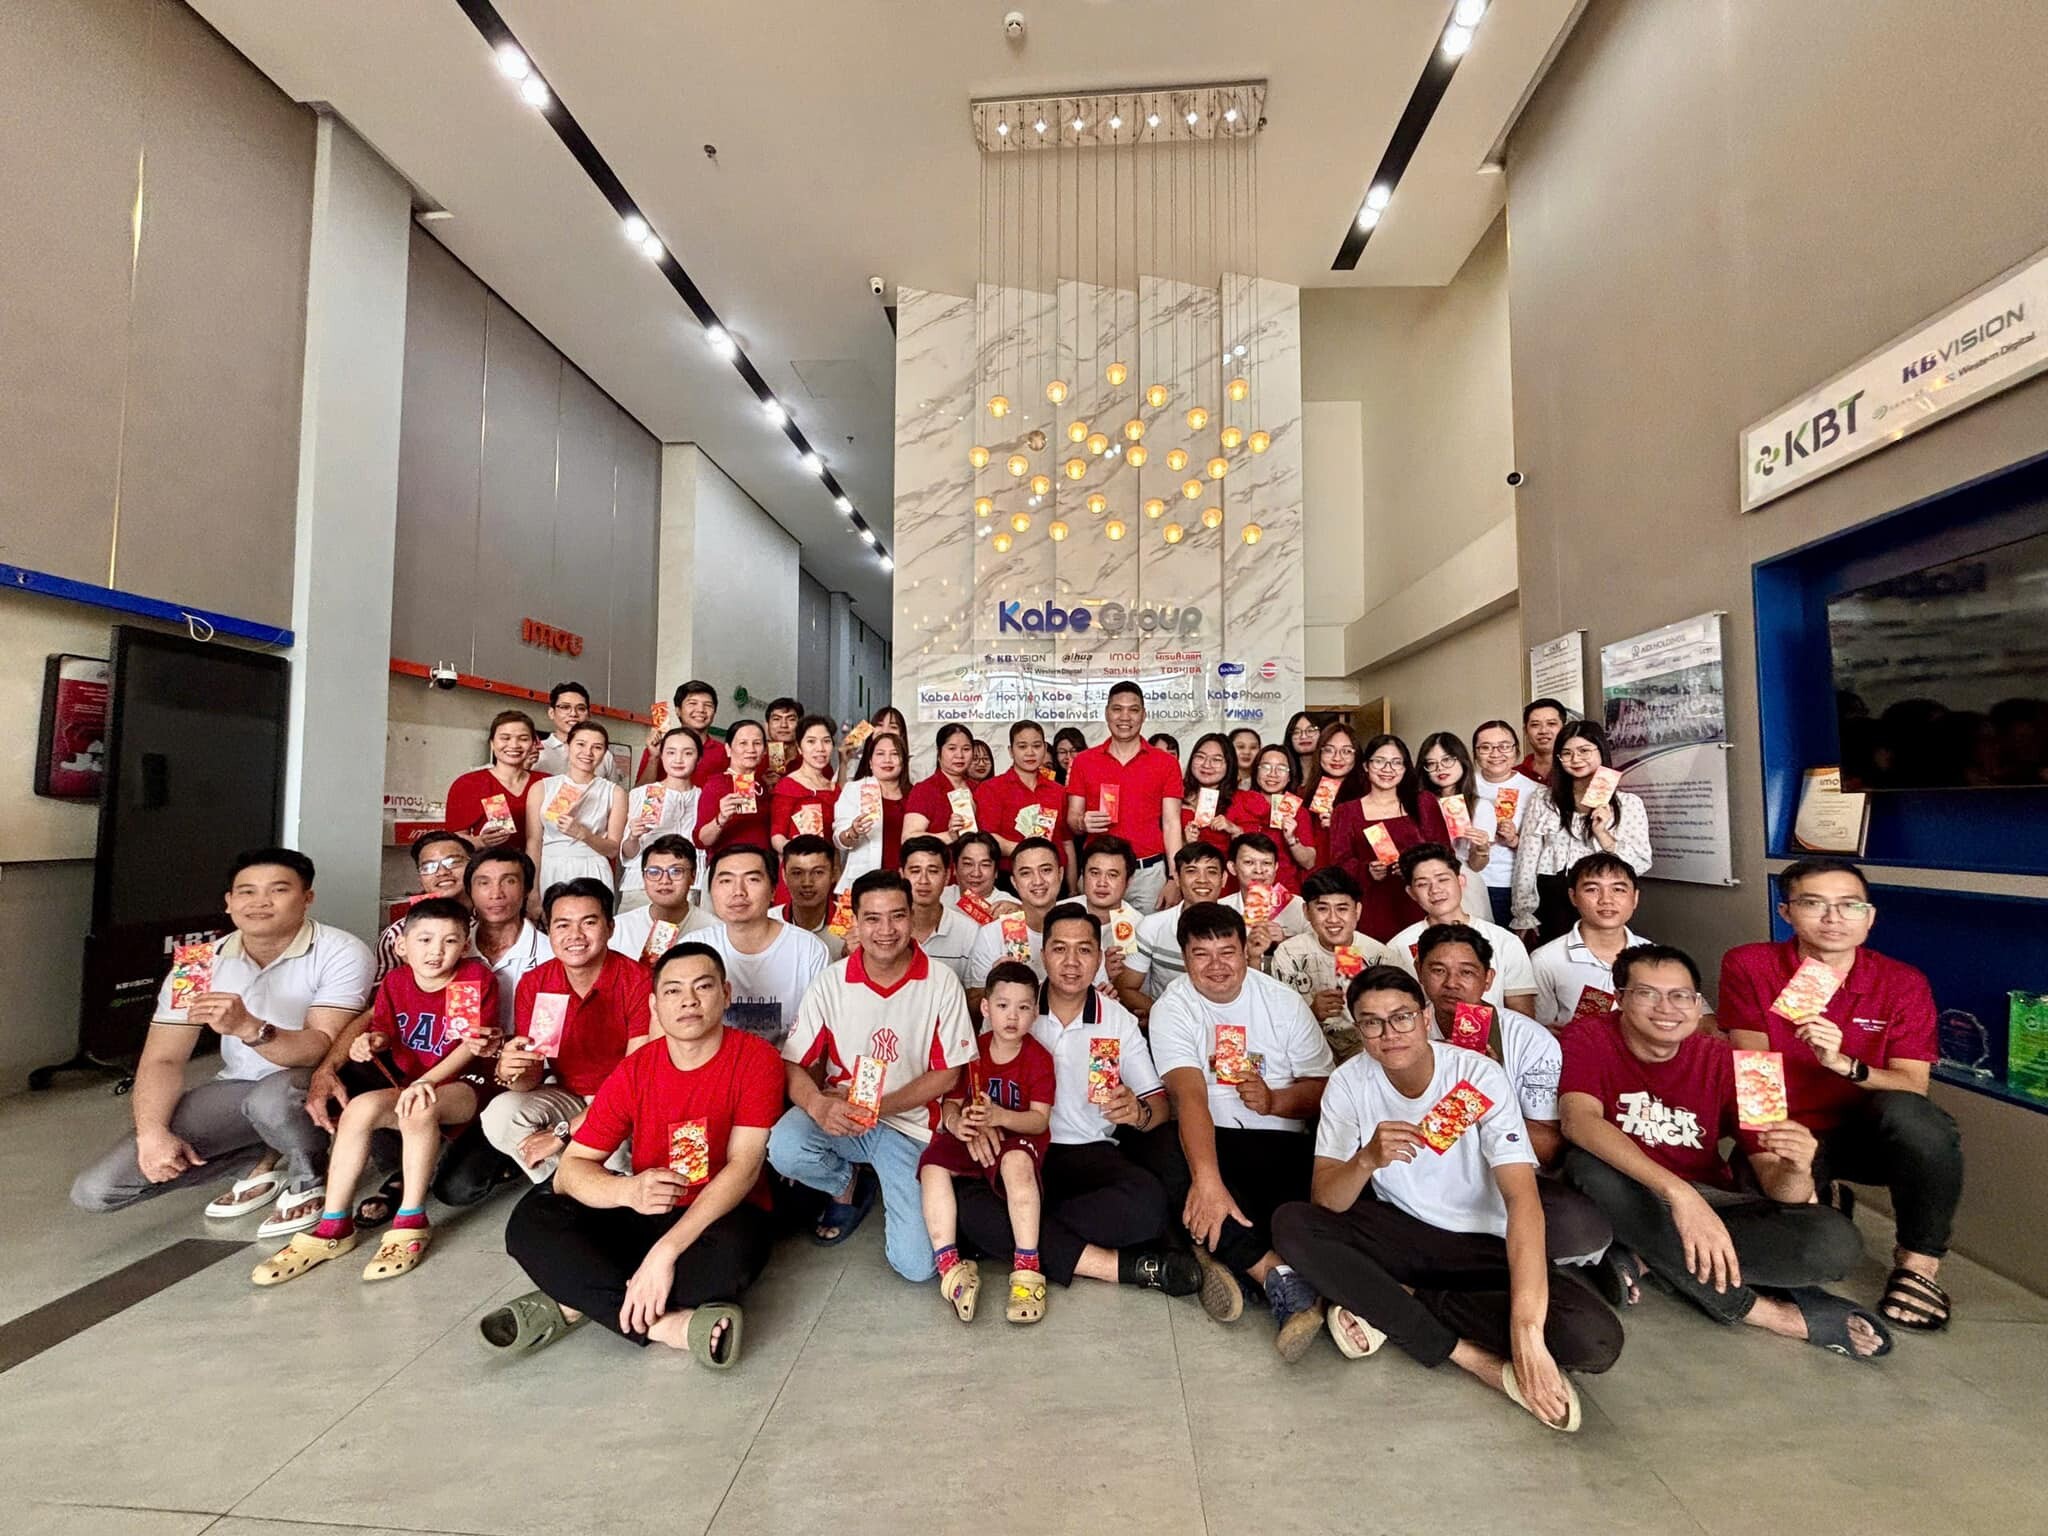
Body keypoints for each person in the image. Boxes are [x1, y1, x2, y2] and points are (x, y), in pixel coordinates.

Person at [1271, 968, 1622, 1426]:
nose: (1389, 1034)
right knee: (1292, 1223)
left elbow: (1522, 1198)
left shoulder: (1477, 1074)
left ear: (1424, 1017)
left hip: (1482, 1245)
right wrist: (1366, 1160)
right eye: (1372, 1023)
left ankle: (1392, 1300)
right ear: (1359, 1030)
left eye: (1401, 1017)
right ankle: (1468, 1356)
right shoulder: (1348, 1082)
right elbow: (1327, 1201)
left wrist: (1528, 1333)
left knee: (1594, 1339)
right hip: (1401, 1233)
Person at [1561, 943, 1889, 1358]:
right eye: (1647, 993)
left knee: (1834, 1240)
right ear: (1621, 998)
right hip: (1630, 1188)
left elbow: (1780, 1189)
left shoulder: (1749, 1066)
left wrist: (1797, 1168)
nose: (1666, 1008)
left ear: (1698, 1004)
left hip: (1714, 1201)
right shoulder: (1588, 1035)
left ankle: (1646, 1254)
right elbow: (1579, 1121)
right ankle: (1762, 1311)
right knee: (1585, 1167)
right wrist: (1680, 1195)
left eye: (1681, 996)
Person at [488, 942, 784, 1364]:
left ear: (726, 994)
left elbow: (745, 1166)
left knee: (727, 1267)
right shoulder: (635, 1070)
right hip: (647, 1207)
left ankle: (574, 1298)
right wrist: (628, 1192)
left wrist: (665, 1253)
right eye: (673, 991)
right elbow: (572, 1169)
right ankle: (665, 1325)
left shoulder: (757, 1059)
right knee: (529, 1224)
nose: (688, 1001)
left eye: (703, 987)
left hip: (721, 1213)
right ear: (654, 1005)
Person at [72, 849, 375, 1236]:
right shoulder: (197, 964)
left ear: (307, 898)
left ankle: (309, 1177)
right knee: (97, 1191)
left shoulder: (341, 951)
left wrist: (251, 1028)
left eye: (278, 890)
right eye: (246, 892)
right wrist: (152, 1133)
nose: (260, 902)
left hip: (313, 1084)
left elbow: (320, 1047)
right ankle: (254, 1156)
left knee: (271, 1101)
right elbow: (163, 1059)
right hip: (236, 1089)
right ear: (229, 902)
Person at [1720, 858, 1960, 1333]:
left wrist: (1844, 1064)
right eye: (1814, 904)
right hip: (1788, 1126)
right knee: (1770, 1246)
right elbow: (1754, 1070)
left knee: (1916, 1119)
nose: (1833, 918)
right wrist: (1780, 1164)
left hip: (1868, 1132)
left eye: (1850, 905)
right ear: (1787, 912)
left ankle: (1918, 1263)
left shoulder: (1903, 982)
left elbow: (1913, 1084)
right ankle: (1821, 1191)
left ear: (1870, 917)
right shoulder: (1750, 964)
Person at [251, 900, 495, 1286]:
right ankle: (334, 1225)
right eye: (425, 940)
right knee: (360, 1108)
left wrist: (427, 1082)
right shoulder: (396, 983)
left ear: (465, 946)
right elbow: (385, 1032)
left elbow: (468, 1046)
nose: (436, 950)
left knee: (419, 1108)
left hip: (463, 1086)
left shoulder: (470, 978)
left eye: (450, 941)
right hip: (411, 1084)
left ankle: (411, 1219)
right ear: (402, 945)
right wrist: (370, 1042)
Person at [1146, 903, 1335, 1358]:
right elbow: (1189, 1098)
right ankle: (1274, 1275)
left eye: (1227, 952)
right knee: (1159, 1149)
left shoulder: (1282, 1002)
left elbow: (1324, 1088)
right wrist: (1208, 1181)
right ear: (1184, 957)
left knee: (1320, 1190)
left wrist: (1276, 1101)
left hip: (1279, 1143)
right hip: (1211, 1141)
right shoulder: (1174, 1007)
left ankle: (1216, 1252)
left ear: (1247, 949)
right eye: (1201, 954)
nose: (1216, 966)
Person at [769, 870, 977, 1277]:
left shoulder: (941, 983)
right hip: (844, 1118)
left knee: (917, 1266)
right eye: (872, 918)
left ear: (911, 916)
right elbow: (792, 1063)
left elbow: (948, 1075)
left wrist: (880, 1107)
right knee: (785, 1146)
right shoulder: (830, 982)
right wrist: (817, 1105)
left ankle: (894, 1181)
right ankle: (847, 1184)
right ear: (855, 922)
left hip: (910, 1127)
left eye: (897, 916)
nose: (886, 930)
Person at [1001, 908, 1199, 1296]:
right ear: (1043, 955)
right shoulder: (1013, 1007)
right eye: (1060, 949)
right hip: (1019, 1149)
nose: (1071, 962)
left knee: (1147, 1206)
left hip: (1089, 1153)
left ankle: (1029, 1228)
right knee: (967, 1202)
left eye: (1084, 950)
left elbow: (1159, 1104)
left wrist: (1138, 1113)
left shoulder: (1116, 1019)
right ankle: (1122, 1266)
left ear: (1099, 957)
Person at [1411, 923, 1611, 1265]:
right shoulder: (1403, 1032)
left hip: (1508, 1179)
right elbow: (1405, 1141)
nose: (1452, 983)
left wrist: (1482, 1093)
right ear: (1419, 971)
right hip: (1425, 1175)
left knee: (1582, 1229)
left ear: (1488, 979)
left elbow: (1548, 1147)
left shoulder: (1530, 1040)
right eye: (1438, 970)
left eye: (1467, 972)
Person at [480, 879, 652, 1188]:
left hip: (627, 1099)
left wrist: (561, 1134)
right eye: (562, 925)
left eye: (589, 922)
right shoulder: (537, 983)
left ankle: (586, 1180)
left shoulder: (638, 981)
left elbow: (635, 1079)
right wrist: (510, 1070)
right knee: (500, 1115)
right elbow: (531, 1077)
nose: (575, 935)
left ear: (610, 928)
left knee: (613, 1154)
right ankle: (570, 1181)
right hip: (568, 1094)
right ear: (549, 931)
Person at [920, 961, 1057, 1324]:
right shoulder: (972, 1053)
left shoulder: (1039, 1059)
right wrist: (957, 1123)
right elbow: (951, 1102)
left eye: (1023, 1007)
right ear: (985, 1007)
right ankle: (950, 1265)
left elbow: (1039, 1119)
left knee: (1016, 1165)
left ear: (1035, 1012)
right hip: (974, 1136)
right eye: (1002, 1005)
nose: (1012, 1016)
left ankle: (1027, 1268)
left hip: (1019, 1138)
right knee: (932, 1165)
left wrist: (1000, 1117)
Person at [1511, 721, 1652, 943]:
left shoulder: (1628, 804)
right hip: (1551, 894)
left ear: (1601, 751)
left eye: (1584, 751)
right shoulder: (1543, 799)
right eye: (1567, 753)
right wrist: (1523, 911)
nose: (1575, 759)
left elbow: (1641, 863)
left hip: (1601, 894)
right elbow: (1527, 856)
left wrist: (1603, 835)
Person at [1064, 681, 1186, 912]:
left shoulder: (1165, 763)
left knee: (1147, 934)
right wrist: (1081, 822)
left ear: (1144, 715)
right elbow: (1072, 818)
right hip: (1099, 873)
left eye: (1133, 710)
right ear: (1106, 713)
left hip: (1147, 875)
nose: (1125, 717)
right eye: (1117, 709)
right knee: (1093, 933)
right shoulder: (1084, 761)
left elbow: (1172, 824)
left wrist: (1174, 877)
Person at [695, 844, 831, 1052]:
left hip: (787, 1065)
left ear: (773, 890)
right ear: (711, 891)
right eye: (726, 881)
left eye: (752, 879)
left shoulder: (810, 950)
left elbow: (820, 1036)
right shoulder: (694, 947)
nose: (738, 892)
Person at [1386, 845, 1537, 1015]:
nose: (1435, 890)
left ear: (1461, 881)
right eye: (1422, 884)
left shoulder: (1504, 941)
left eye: (1443, 880)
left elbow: (1523, 1016)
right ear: (1411, 893)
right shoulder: (1397, 947)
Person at [1330, 733, 1452, 942]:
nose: (1388, 769)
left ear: (1405, 768)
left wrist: (1413, 866)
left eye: (1396, 762)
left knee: (1423, 957)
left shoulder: (1424, 803)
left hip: (1420, 904)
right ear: (1366, 766)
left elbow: (1445, 854)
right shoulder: (1346, 811)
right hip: (1367, 909)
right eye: (1379, 761)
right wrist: (1367, 870)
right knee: (1366, 960)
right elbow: (1338, 864)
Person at [1269, 868, 1394, 1064]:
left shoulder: (1379, 956)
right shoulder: (1289, 953)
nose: (1333, 919)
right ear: (1306, 912)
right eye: (1322, 909)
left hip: (1365, 1050)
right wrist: (1312, 1011)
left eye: (1342, 909)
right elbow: (1278, 1020)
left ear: (1357, 911)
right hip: (1307, 1048)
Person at [1529, 853, 1645, 1028]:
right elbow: (1541, 1028)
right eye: (1592, 889)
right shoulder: (1546, 960)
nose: (1606, 900)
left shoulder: (1655, 958)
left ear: (1635, 898)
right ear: (1573, 896)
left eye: (1618, 889)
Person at [963, 838, 1077, 1009]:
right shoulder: (992, 933)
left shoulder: (1080, 929)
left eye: (1046, 870)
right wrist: (996, 982)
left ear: (1060, 874)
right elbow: (974, 1006)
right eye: (1025, 873)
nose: (1037, 881)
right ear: (1014, 882)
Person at [526, 721, 627, 896]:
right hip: (550, 867)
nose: (588, 752)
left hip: (593, 868)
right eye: (581, 744)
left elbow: (612, 850)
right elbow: (533, 842)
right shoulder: (542, 788)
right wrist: (533, 892)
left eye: (597, 747)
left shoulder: (615, 792)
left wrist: (583, 834)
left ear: (605, 753)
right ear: (568, 746)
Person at [1127, 843, 1230, 1004]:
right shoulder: (1152, 926)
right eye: (1191, 871)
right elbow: (1126, 988)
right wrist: (1161, 1014)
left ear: (1223, 879)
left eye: (1211, 871)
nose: (1202, 880)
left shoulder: (1239, 926)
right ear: (1176, 877)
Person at [618, 726, 702, 914]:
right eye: (671, 752)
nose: (678, 759)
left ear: (699, 758)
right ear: (661, 756)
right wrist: (633, 836)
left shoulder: (704, 797)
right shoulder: (642, 794)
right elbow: (628, 853)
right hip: (641, 887)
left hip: (688, 886)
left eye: (688, 753)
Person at [976, 719, 1071, 879]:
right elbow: (988, 839)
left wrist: (1072, 887)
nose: (1030, 752)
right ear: (1011, 751)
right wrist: (1030, 852)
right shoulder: (991, 789)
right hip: (1009, 876)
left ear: (1045, 748)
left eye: (1036, 746)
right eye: (1022, 746)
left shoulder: (1058, 791)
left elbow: (1067, 843)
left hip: (1053, 878)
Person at [1471, 719, 1543, 928]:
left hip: (1511, 884)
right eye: (1485, 747)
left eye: (1504, 746)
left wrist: (1514, 840)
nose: (1495, 754)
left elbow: (1545, 848)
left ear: (1516, 750)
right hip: (1469, 880)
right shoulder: (1464, 784)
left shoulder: (1536, 791)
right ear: (1475, 753)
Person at [374, 831, 474, 979]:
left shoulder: (494, 920)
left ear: (473, 866)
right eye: (429, 867)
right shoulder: (397, 934)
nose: (442, 872)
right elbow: (382, 989)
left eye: (452, 862)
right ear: (420, 878)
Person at [1418, 731, 1496, 920]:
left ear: (1462, 760)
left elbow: (1476, 865)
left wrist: (1482, 849)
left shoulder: (1481, 806)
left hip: (1464, 882)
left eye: (1447, 760)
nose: (1440, 768)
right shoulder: (1417, 804)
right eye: (1431, 763)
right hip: (1423, 883)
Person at [610, 835, 715, 964]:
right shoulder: (618, 929)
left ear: (693, 876)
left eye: (676, 871)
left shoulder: (714, 929)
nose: (665, 881)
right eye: (654, 872)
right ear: (643, 877)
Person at [1288, 722, 1366, 894]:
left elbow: (1378, 848)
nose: (1337, 758)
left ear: (1357, 756)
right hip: (1312, 884)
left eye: (1346, 751)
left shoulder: (1368, 795)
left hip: (1351, 885)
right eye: (1329, 750)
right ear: (1319, 753)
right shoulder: (1300, 794)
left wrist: (1340, 825)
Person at [444, 710, 538, 850]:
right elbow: (453, 840)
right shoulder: (469, 784)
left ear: (533, 744)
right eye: (505, 738)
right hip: (491, 862)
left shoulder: (547, 782)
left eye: (523, 739)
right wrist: (480, 841)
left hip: (544, 862)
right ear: (492, 743)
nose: (514, 745)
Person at [1218, 832, 1311, 969]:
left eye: (1266, 863)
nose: (1259, 870)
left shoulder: (1299, 906)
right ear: (1233, 868)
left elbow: (1319, 956)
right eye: (1249, 862)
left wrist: (1286, 942)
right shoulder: (1220, 909)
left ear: (1276, 867)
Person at [1078, 835, 1149, 1015]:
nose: (1102, 883)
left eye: (1112, 875)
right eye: (1094, 873)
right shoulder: (1061, 915)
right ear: (1083, 874)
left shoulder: (1140, 926)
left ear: (1128, 881)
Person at [1179, 731, 1269, 864]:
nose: (1207, 765)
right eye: (1200, 757)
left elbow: (1257, 854)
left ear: (1229, 764)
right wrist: (1184, 841)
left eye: (1216, 760)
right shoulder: (1175, 795)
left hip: (1227, 873)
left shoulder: (1243, 801)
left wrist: (1234, 830)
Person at [834, 728, 909, 884]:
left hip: (904, 879)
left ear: (903, 761)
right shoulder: (854, 789)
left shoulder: (914, 794)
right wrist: (853, 832)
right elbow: (839, 840)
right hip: (864, 880)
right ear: (870, 762)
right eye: (880, 754)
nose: (887, 760)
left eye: (894, 754)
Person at [901, 835, 981, 981]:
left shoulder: (969, 932)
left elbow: (974, 990)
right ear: (902, 875)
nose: (923, 880)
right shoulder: (887, 928)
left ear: (947, 876)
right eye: (915, 871)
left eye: (933, 871)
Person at [693, 719, 773, 859]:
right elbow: (701, 841)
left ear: (765, 750)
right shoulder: (716, 785)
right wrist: (721, 819)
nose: (751, 749)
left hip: (762, 864)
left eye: (757, 743)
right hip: (729, 864)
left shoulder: (763, 785)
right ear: (728, 749)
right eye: (743, 743)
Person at [769, 714, 840, 862]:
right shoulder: (788, 785)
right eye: (811, 741)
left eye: (826, 741)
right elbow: (777, 837)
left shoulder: (834, 788)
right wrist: (798, 853)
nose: (820, 748)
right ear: (799, 748)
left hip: (829, 867)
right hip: (799, 866)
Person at [769, 834, 847, 960]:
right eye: (797, 873)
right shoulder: (769, 921)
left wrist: (854, 958)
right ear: (784, 876)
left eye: (818, 872)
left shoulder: (852, 923)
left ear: (834, 874)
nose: (807, 883)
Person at [902, 722, 980, 847]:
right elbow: (908, 838)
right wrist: (949, 836)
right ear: (939, 752)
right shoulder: (925, 790)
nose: (959, 755)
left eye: (966, 749)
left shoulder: (979, 788)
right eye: (952, 748)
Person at [639, 679, 727, 788]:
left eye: (708, 705)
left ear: (715, 712)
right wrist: (654, 758)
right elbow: (639, 794)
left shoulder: (726, 753)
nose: (701, 709)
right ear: (678, 711)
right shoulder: (659, 748)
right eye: (692, 703)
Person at [1251, 743, 1313, 891]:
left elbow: (1309, 862)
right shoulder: (1239, 802)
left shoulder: (1299, 811)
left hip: (1284, 891)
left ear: (1290, 776)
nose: (1272, 774)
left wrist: (1291, 839)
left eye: (1281, 768)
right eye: (1266, 767)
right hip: (1244, 888)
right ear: (1256, 771)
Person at [536, 682, 624, 782]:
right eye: (565, 707)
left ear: (589, 714)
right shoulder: (538, 752)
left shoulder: (604, 756)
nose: (573, 714)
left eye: (581, 708)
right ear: (551, 713)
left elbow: (614, 789)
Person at [946, 831, 1004, 914]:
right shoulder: (938, 897)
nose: (976, 873)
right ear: (955, 868)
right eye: (968, 864)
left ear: (996, 872)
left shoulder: (1010, 909)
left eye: (985, 865)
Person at [1517, 698, 1567, 784]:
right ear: (1525, 731)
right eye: (1535, 725)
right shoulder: (1515, 775)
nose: (1543, 731)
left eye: (1551, 724)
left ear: (1564, 729)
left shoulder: (1576, 770)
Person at [762, 696, 804, 783]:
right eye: (776, 719)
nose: (783, 725)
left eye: (791, 719)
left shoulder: (811, 760)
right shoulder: (755, 757)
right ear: (767, 726)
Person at [1282, 710, 1322, 788]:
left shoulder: (1331, 775)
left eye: (1310, 730)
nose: (1303, 736)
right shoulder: (1282, 775)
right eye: (1296, 732)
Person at [1229, 726, 1263, 791]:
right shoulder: (1218, 780)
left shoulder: (1265, 782)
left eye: (1253, 747)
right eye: (1241, 747)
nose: (1247, 752)